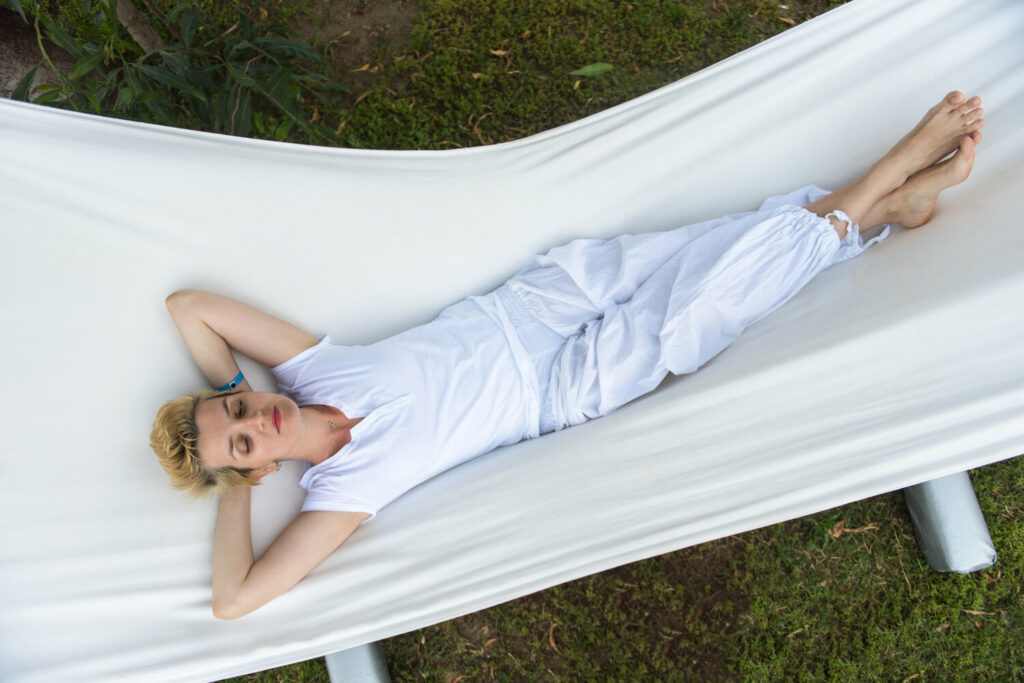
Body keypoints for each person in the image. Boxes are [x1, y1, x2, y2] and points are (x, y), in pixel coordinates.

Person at [151, 92, 984, 620]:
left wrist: (227, 388)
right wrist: (233, 485)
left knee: (710, 247)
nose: (255, 416)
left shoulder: (305, 373)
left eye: (235, 407)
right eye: (248, 439)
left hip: (536, 300)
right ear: (257, 473)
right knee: (706, 301)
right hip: (561, 388)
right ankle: (885, 179)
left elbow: (188, 307)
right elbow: (235, 600)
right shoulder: (339, 494)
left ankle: (884, 211)